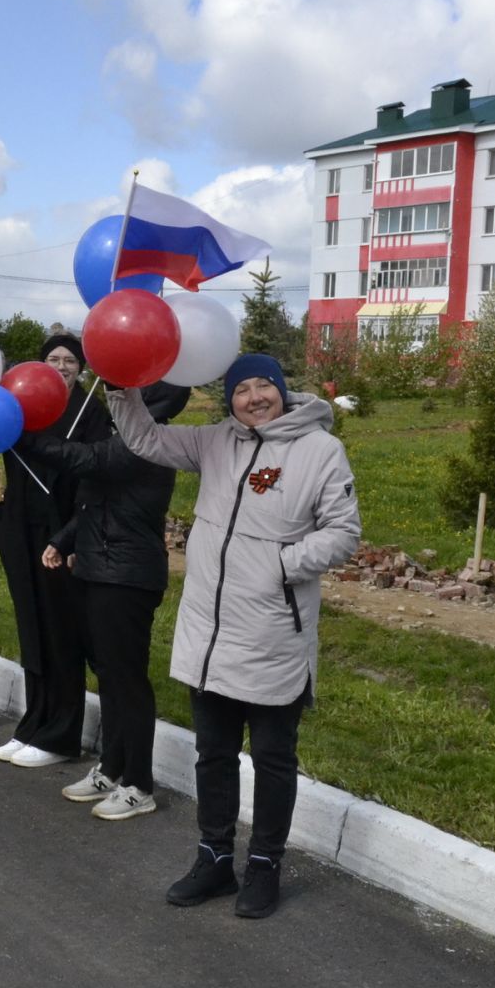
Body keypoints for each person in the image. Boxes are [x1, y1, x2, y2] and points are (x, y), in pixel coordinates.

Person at [109, 353, 360, 920]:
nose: (253, 397)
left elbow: (343, 532)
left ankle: (265, 864)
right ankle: (214, 858)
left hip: (272, 631)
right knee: (214, 753)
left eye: (262, 386)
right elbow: (147, 441)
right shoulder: (215, 441)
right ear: (229, 400)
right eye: (241, 389)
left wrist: (280, 566)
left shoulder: (320, 451)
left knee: (273, 756)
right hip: (209, 630)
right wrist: (122, 388)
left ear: (281, 390)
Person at [18, 380, 191, 821]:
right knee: (111, 676)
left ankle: (139, 784)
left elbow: (84, 460)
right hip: (101, 568)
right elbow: (95, 504)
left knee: (127, 680)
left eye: (128, 395)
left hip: (127, 577)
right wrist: (63, 539)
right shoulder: (124, 438)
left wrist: (23, 435)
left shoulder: (149, 442)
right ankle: (111, 769)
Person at [0, 335, 101, 769]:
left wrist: (72, 538)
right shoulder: (23, 404)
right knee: (31, 629)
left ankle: (62, 733)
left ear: (81, 367)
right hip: (21, 529)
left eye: (69, 360)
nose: (60, 366)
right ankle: (35, 721)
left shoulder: (90, 412)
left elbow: (92, 482)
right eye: (52, 358)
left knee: (60, 634)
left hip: (61, 536)